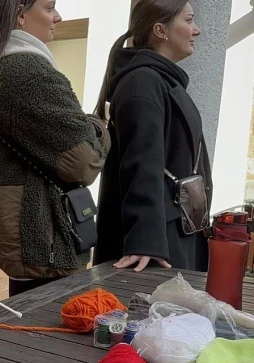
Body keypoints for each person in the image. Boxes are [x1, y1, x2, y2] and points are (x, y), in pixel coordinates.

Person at [0, 0, 110, 296]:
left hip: (27, 234)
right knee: (45, 328)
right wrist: (100, 126)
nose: (58, 16)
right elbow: (85, 161)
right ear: (19, 14)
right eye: (49, 7)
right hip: (41, 237)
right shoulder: (26, 71)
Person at [93, 0, 212, 272]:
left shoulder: (158, 80)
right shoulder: (143, 82)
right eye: (189, 20)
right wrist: (145, 241)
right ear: (161, 30)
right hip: (156, 247)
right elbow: (142, 164)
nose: (197, 30)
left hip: (174, 230)